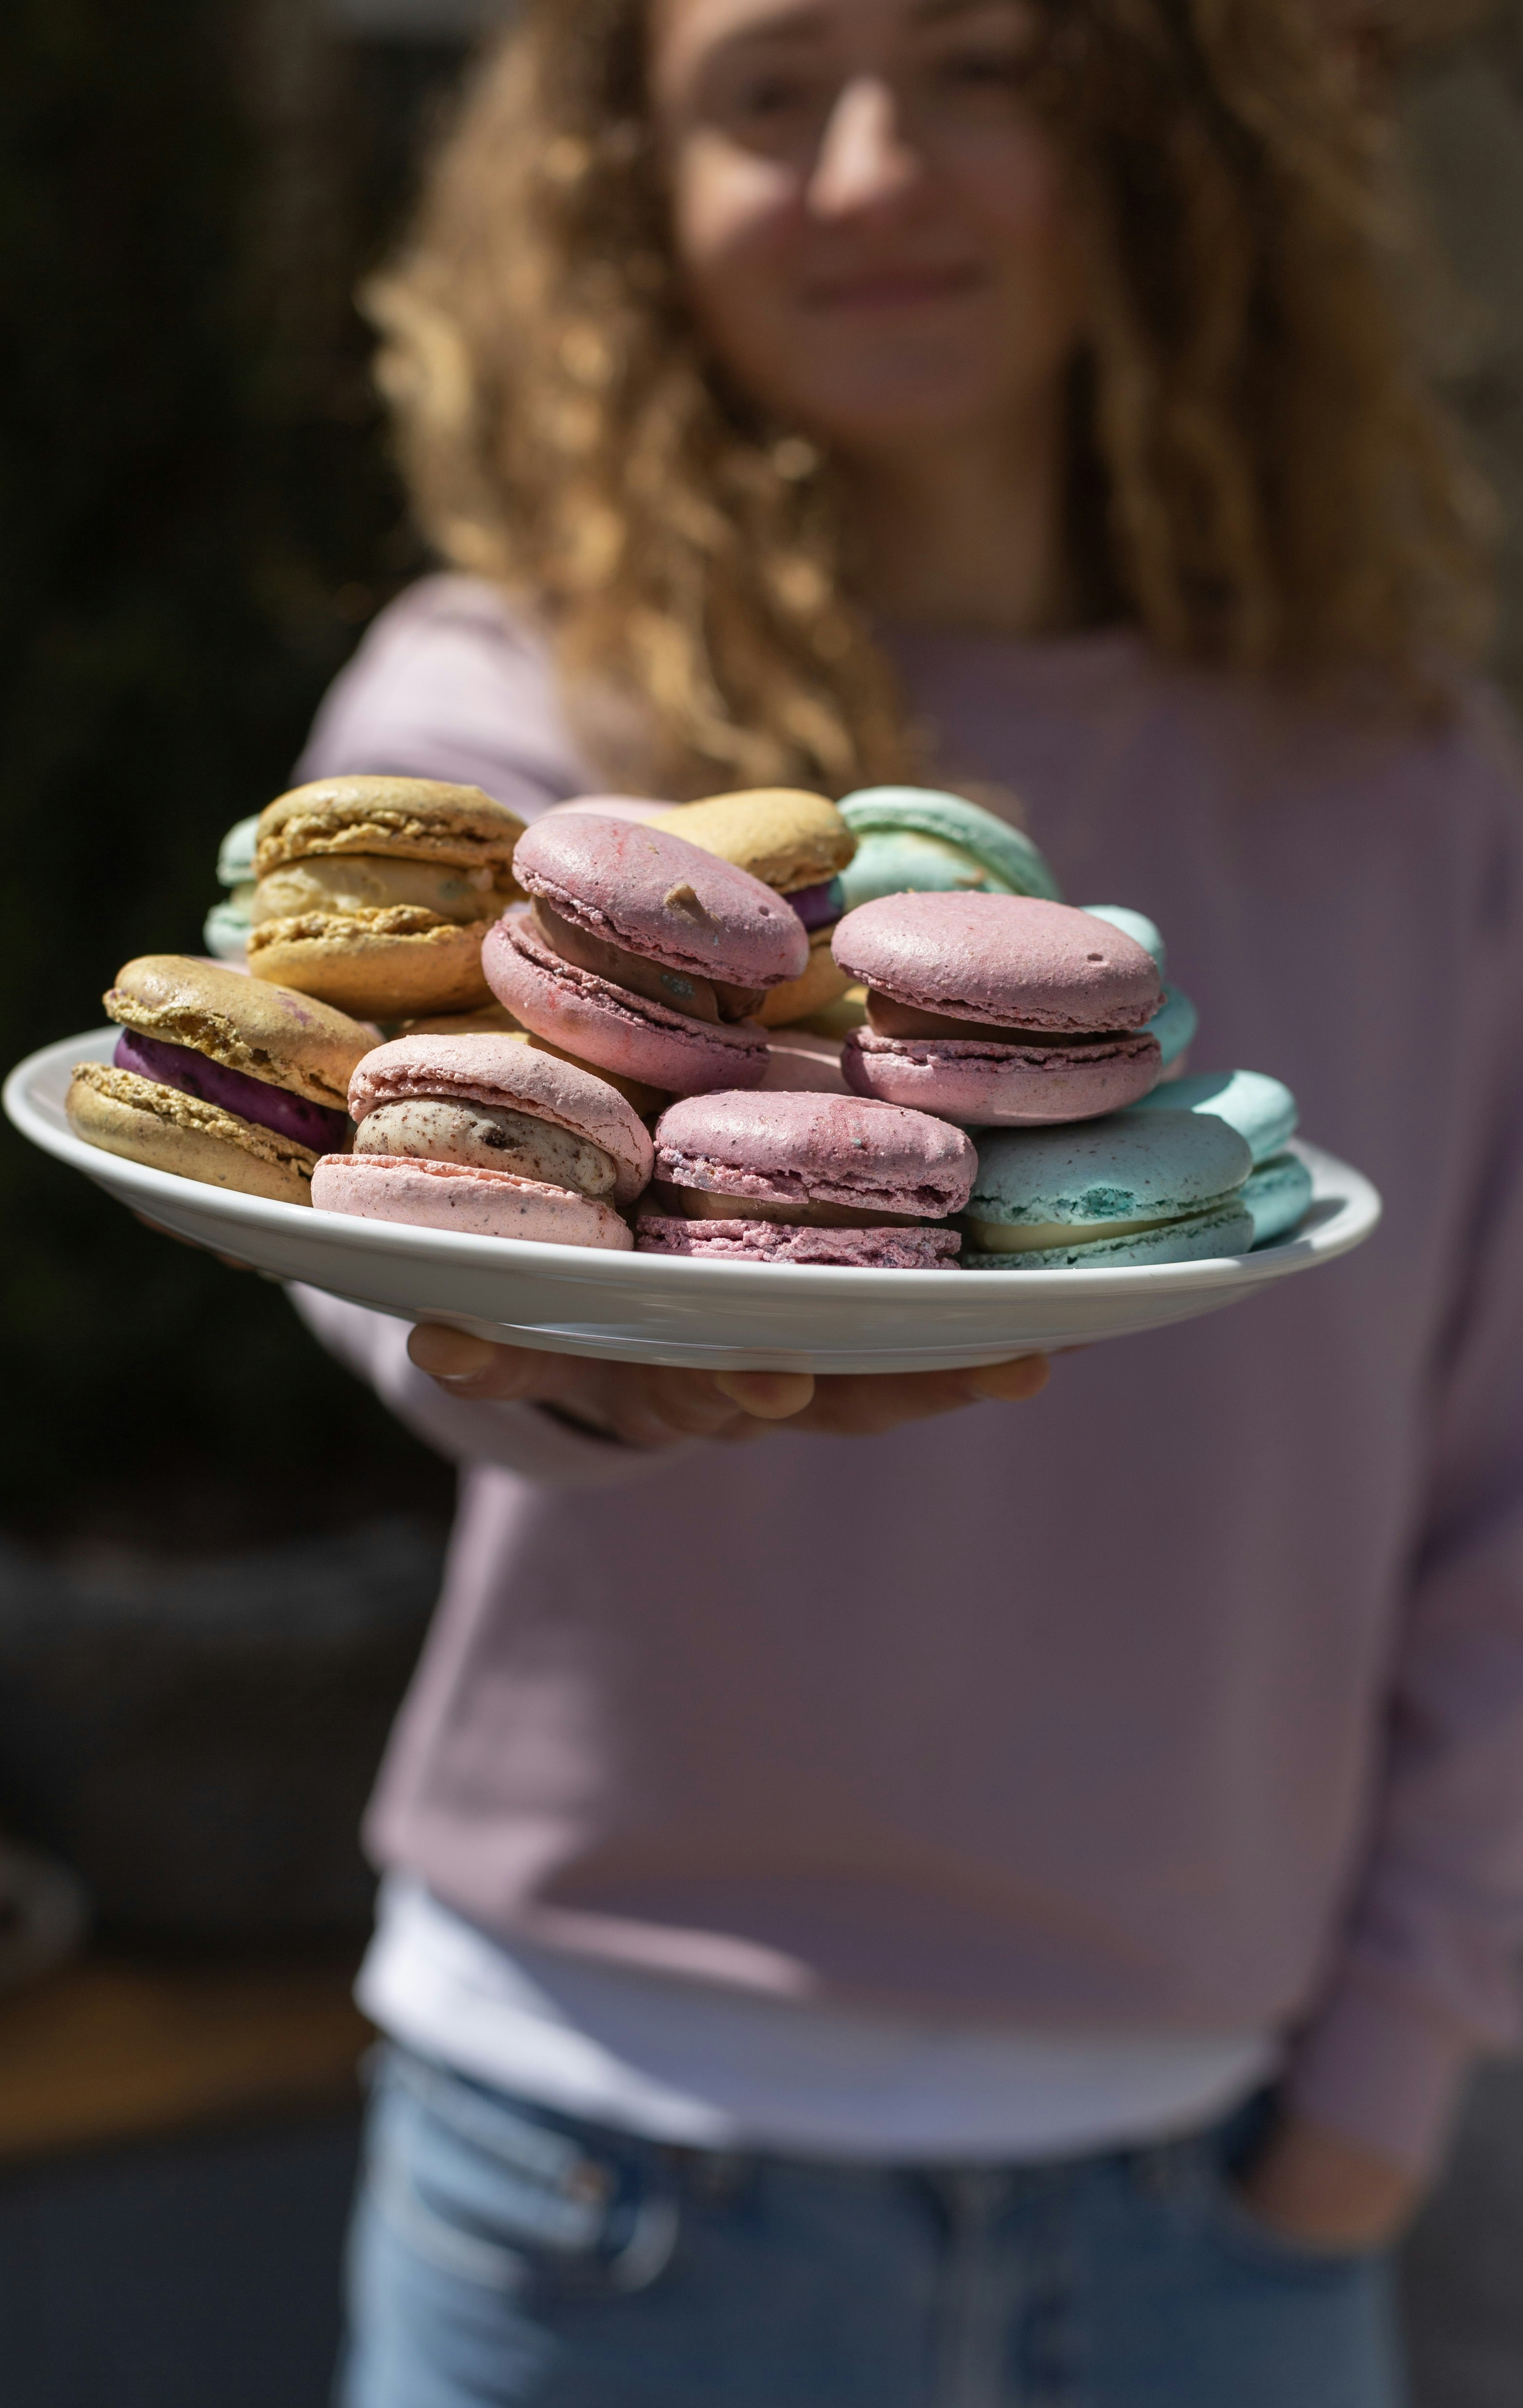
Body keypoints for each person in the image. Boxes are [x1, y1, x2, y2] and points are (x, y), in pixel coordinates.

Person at [287, 2, 1523, 2400]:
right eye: (765, 91)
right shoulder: (516, 718)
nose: (873, 168)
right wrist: (571, 1354)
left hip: (1226, 2192)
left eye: (981, 65)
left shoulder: (1395, 771)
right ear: (627, 190)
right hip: (597, 2168)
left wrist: (1395, 2059)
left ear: (1156, 131)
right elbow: (389, 1187)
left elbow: (1507, 1471)